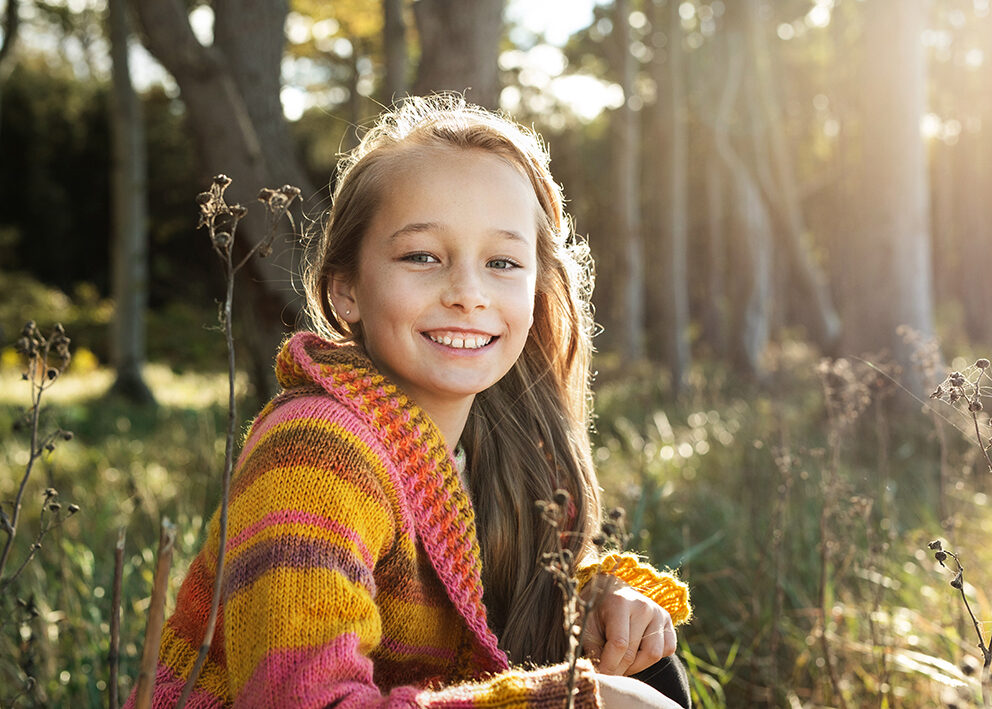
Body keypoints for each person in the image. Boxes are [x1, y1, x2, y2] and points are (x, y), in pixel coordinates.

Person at [127, 95, 692, 708]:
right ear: (346, 290)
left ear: (537, 287)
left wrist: (594, 600)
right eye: (422, 256)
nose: (468, 293)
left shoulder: (496, 449)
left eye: (502, 262)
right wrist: (560, 702)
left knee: (649, 674)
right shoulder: (315, 453)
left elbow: (487, 614)